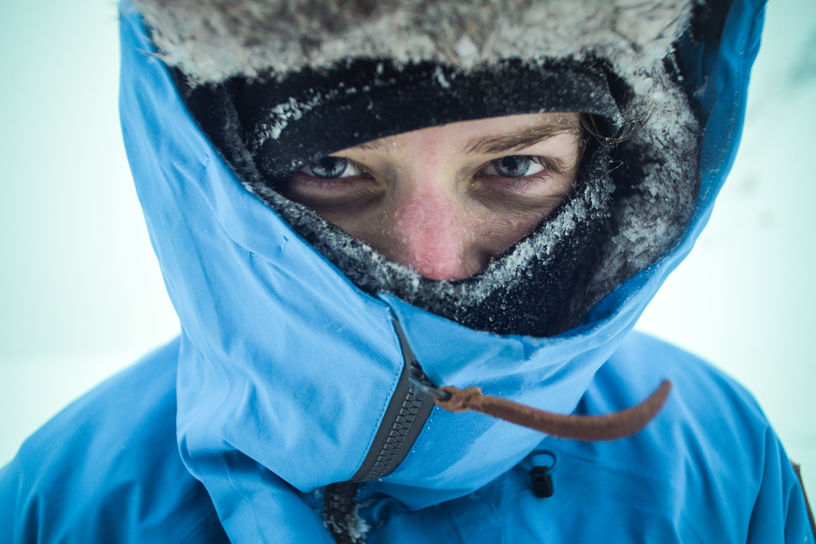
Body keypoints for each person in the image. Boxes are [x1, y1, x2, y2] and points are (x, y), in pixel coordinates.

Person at [1, 0, 813, 542]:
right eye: (333, 164)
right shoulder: (62, 503)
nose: (433, 264)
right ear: (224, 177)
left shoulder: (720, 462)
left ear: (617, 169)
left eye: (517, 165)